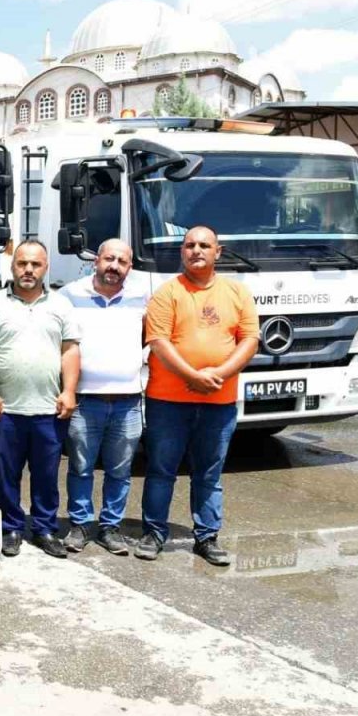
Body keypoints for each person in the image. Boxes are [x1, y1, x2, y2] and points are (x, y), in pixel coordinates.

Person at [137, 225, 259, 565]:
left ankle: (207, 537)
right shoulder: (167, 293)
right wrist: (192, 376)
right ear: (182, 252)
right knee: (161, 470)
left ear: (218, 252)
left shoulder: (237, 292)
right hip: (168, 402)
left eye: (204, 245)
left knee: (209, 473)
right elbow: (158, 342)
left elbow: (250, 340)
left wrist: (217, 375)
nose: (196, 250)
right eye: (189, 245)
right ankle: (153, 533)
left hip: (218, 402)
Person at [0, 240, 81, 559]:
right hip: (5, 410)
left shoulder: (61, 305)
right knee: (7, 474)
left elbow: (70, 350)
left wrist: (69, 390)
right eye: (22, 263)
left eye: (35, 264)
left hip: (49, 409)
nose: (28, 270)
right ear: (13, 266)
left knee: (46, 475)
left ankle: (45, 528)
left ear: (46, 267)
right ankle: (11, 528)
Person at [57, 240, 147, 556]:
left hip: (128, 402)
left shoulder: (142, 297)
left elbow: (153, 334)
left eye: (122, 261)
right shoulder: (69, 295)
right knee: (81, 467)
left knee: (120, 471)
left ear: (130, 267)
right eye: (109, 259)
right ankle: (80, 525)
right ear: (96, 260)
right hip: (85, 401)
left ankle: (110, 527)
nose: (114, 266)